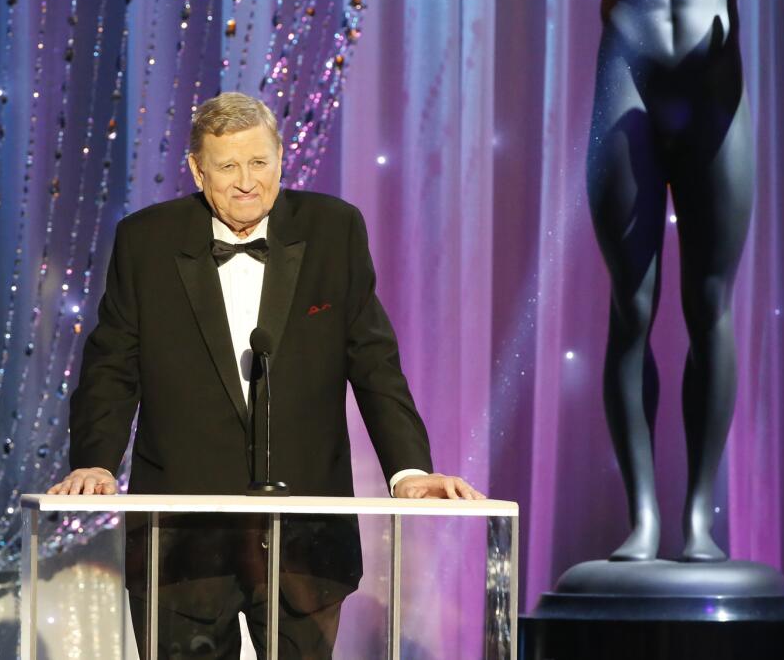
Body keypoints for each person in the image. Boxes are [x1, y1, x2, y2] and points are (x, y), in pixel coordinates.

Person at [48, 92, 482, 657]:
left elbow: (374, 362)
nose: (246, 181)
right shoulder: (146, 240)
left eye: (260, 162)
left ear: (281, 157)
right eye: (227, 166)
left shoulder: (334, 229)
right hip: (182, 542)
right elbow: (112, 365)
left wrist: (409, 472)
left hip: (305, 537)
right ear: (197, 170)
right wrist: (95, 462)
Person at [588, 0, 752, 562]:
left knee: (709, 304)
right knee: (631, 303)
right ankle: (645, 516)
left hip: (713, 81)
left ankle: (699, 517)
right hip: (629, 65)